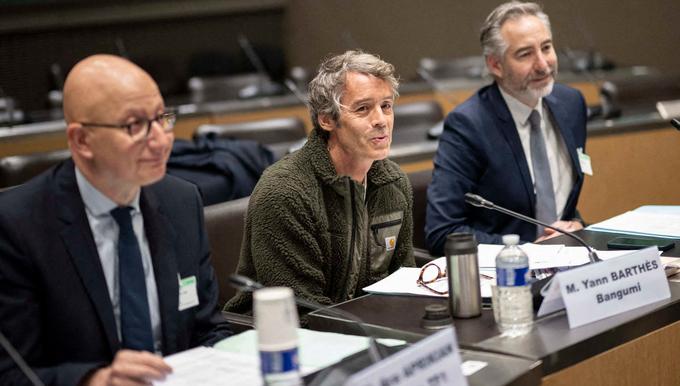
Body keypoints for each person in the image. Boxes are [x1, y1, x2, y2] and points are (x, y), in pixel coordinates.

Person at [0, 54, 231, 386]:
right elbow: (11, 373)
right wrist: (95, 380)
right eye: (134, 126)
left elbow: (208, 328)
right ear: (81, 140)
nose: (160, 140)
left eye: (161, 118)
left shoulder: (181, 202)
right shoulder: (18, 226)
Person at [226, 50, 415, 314]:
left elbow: (403, 284)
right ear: (327, 119)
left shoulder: (393, 183)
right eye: (363, 109)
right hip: (289, 337)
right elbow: (301, 309)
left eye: (386, 106)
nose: (381, 121)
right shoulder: (285, 192)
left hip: (369, 327)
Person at [425, 1, 588, 254]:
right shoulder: (469, 125)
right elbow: (443, 232)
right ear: (495, 65)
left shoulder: (572, 105)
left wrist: (576, 226)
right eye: (525, 54)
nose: (543, 64)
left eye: (546, 47)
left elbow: (559, 204)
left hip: (566, 261)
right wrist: (525, 251)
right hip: (506, 274)